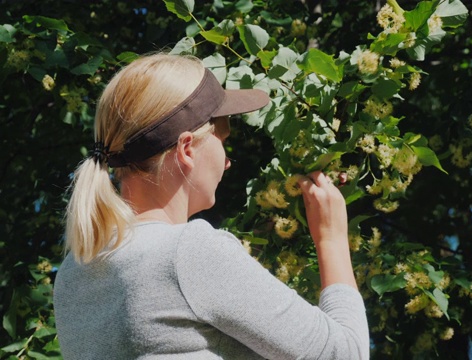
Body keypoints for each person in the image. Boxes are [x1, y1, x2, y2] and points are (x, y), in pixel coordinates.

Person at [53, 54, 369, 359]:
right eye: (223, 141)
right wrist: (331, 238)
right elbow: (345, 354)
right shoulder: (187, 252)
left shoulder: (74, 273)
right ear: (187, 148)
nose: (228, 161)